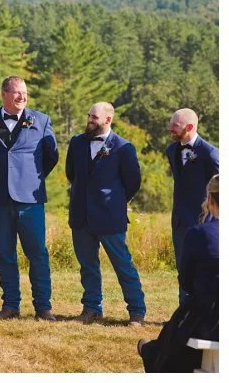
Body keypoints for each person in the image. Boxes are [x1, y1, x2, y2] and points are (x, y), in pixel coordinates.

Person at [0, 75, 59, 321]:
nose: (22, 97)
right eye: (16, 92)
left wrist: (30, 177)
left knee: (37, 254)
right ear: (4, 94)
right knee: (4, 254)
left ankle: (43, 307)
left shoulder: (41, 121)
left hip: (30, 200)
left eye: (25, 93)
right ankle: (10, 306)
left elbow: (50, 157)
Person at [65, 102, 145, 326]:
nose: (89, 120)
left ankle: (137, 311)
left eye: (94, 117)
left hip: (110, 217)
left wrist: (113, 201)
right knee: (88, 266)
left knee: (123, 265)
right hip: (81, 216)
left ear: (108, 120)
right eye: (89, 115)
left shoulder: (123, 147)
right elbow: (72, 174)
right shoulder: (77, 143)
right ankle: (92, 308)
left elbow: (133, 183)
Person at [139, 174, 219, 372]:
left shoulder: (199, 234)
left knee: (172, 342)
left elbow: (185, 281)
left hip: (211, 318)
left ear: (210, 199)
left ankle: (149, 351)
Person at [166, 108, 219, 306]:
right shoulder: (171, 150)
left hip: (204, 221)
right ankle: (184, 313)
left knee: (203, 271)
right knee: (183, 269)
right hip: (180, 221)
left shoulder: (210, 154)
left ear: (189, 127)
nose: (170, 128)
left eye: (175, 125)